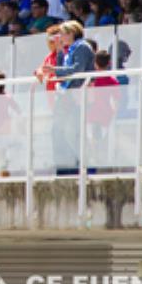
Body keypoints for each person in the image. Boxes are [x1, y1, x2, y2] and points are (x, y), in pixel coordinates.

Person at [45, 21, 94, 173]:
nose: (61, 37)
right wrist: (60, 51)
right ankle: (65, 167)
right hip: (67, 94)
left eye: (63, 34)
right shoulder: (72, 48)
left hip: (76, 95)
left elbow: (77, 69)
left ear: (72, 33)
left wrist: (54, 70)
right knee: (59, 131)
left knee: (72, 132)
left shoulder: (82, 47)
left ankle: (80, 167)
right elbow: (63, 69)